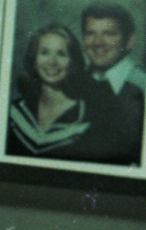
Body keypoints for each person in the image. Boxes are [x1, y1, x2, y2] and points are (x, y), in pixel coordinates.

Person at [6, 23, 101, 159]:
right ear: (34, 60)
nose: (52, 62)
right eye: (44, 53)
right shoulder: (15, 112)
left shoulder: (86, 121)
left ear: (72, 62)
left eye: (61, 54)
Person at [80, 2, 146, 165]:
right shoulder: (73, 82)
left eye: (109, 34)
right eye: (90, 33)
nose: (98, 42)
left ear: (129, 41)